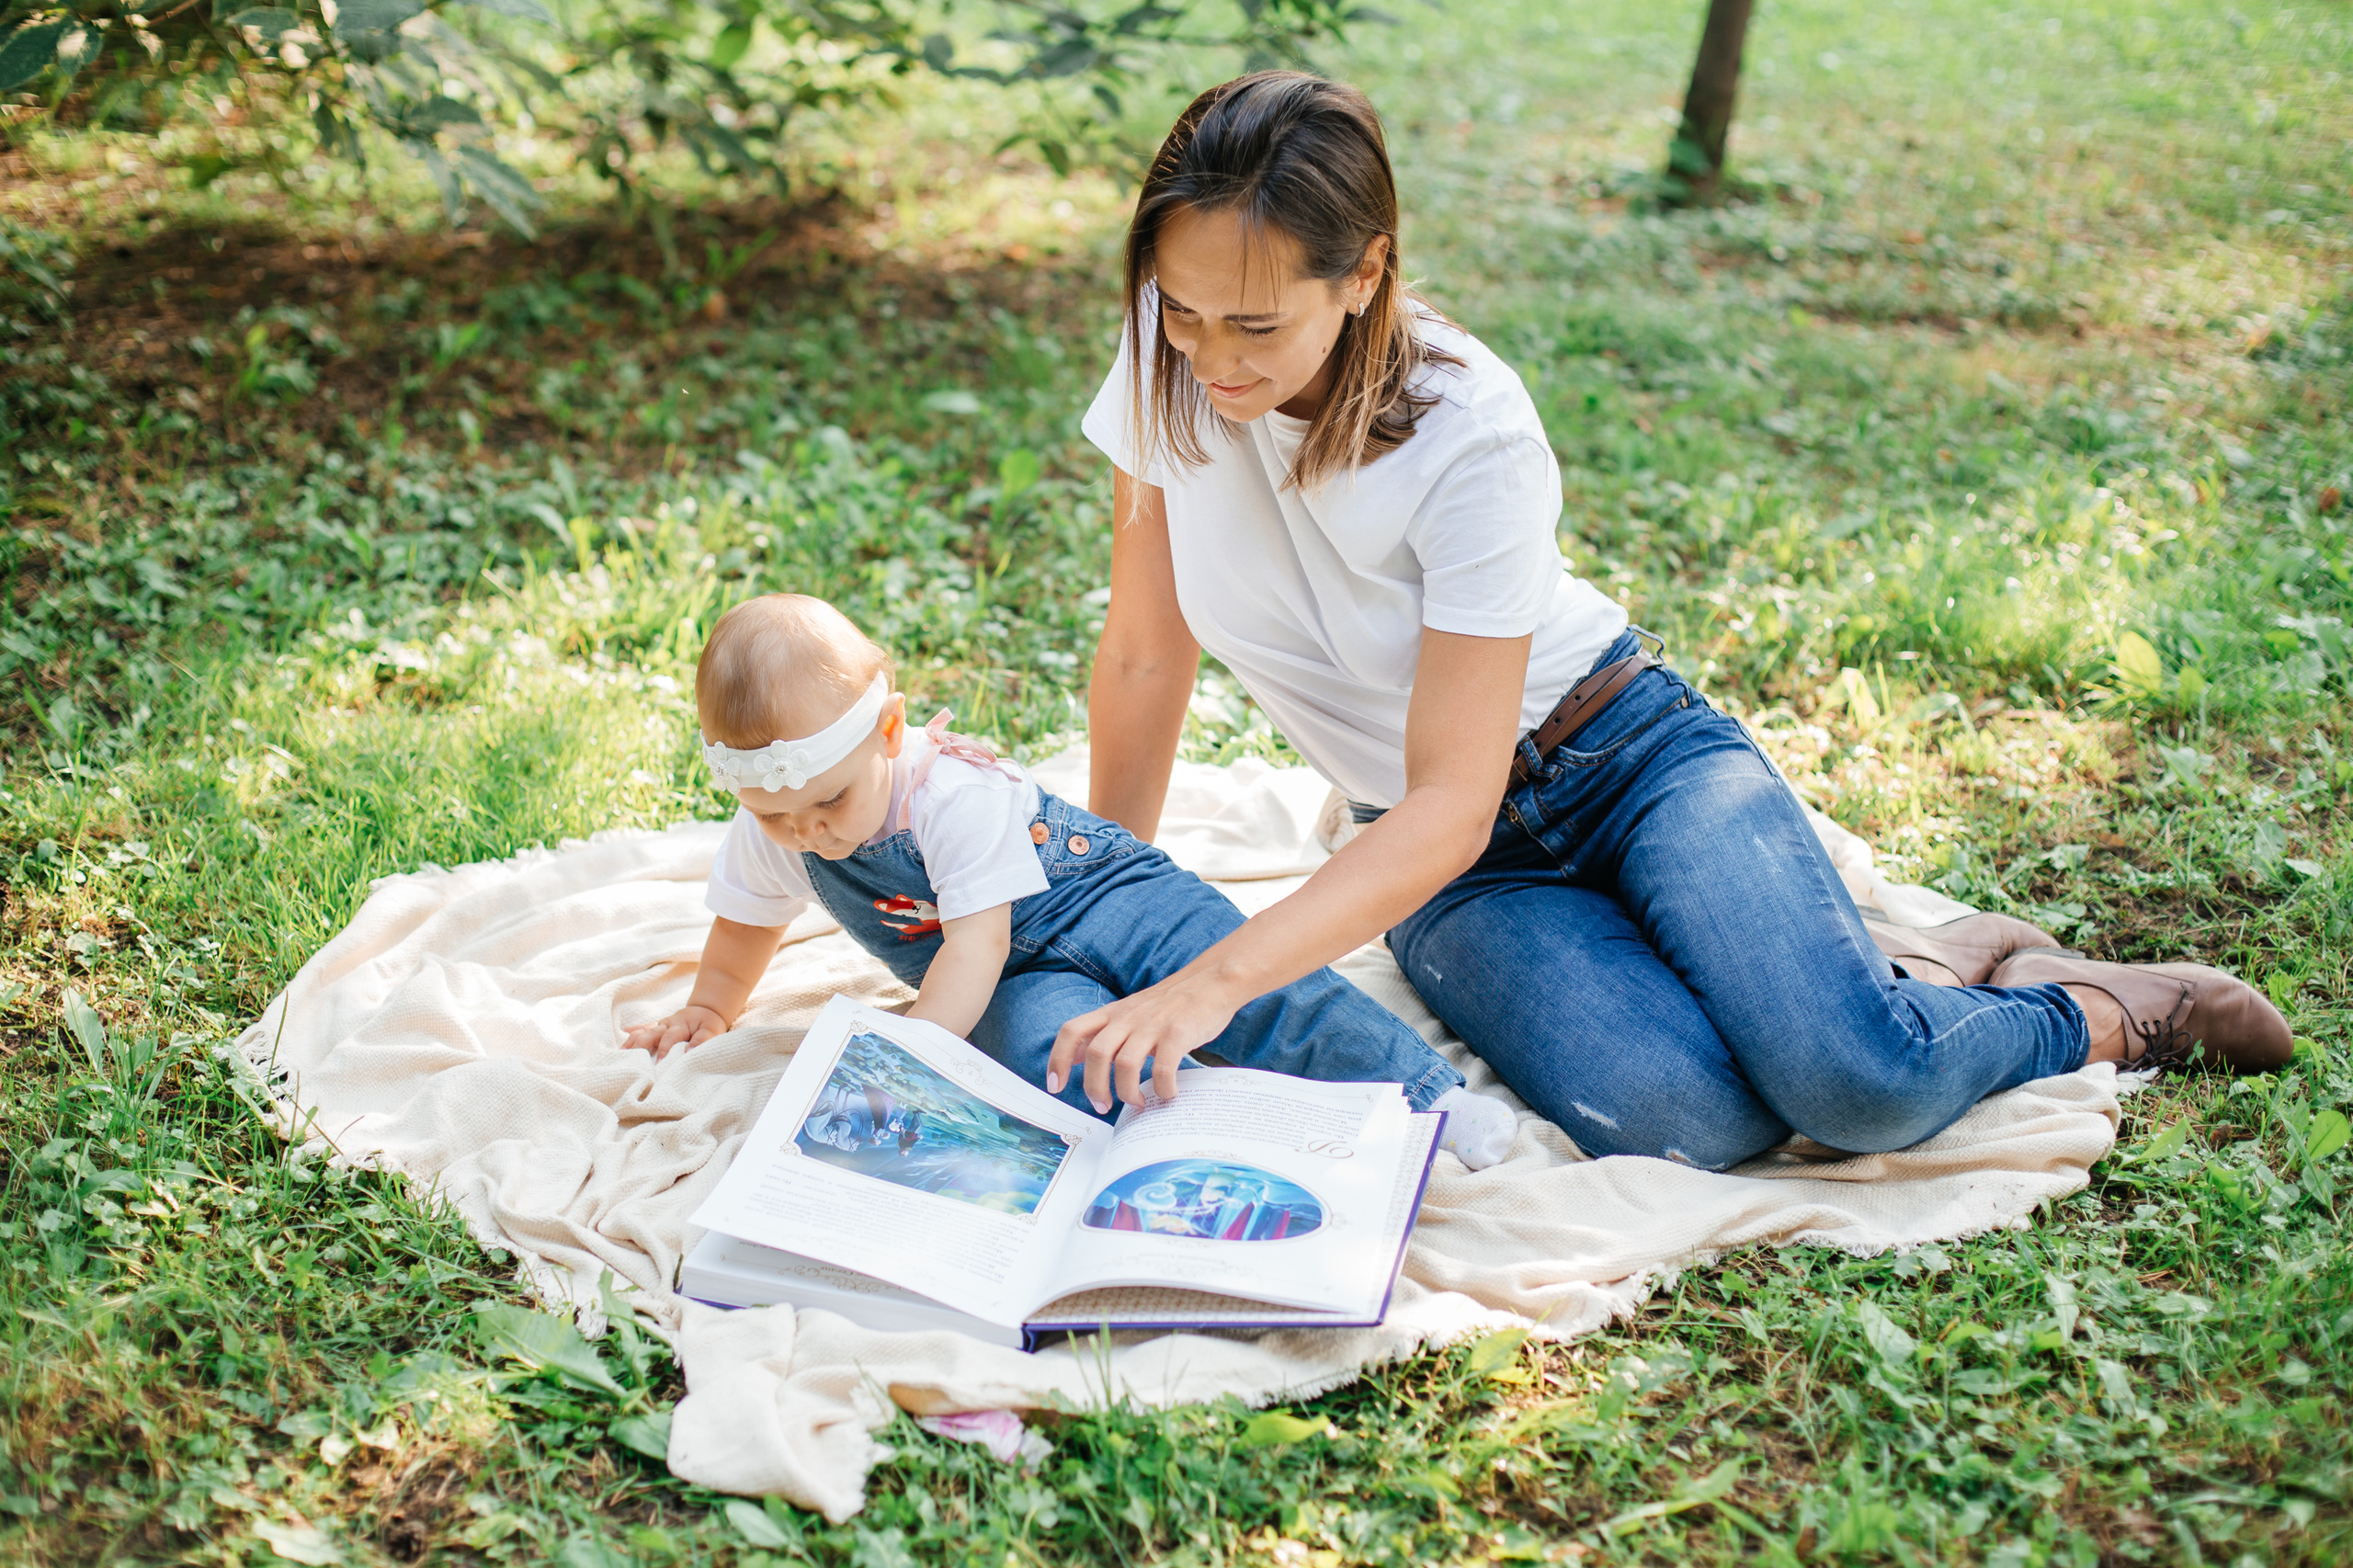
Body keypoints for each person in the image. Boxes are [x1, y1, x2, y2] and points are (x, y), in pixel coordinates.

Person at [1053, 70, 2290, 1170]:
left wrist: (1216, 979)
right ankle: (1883, 971)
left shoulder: (1467, 426)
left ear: (1365, 270)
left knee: (1860, 1086)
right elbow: (1146, 650)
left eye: (1255, 323)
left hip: (1623, 758)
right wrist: (1099, 914)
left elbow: (1456, 796)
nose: (1210, 354)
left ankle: (2095, 1008)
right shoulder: (1168, 353)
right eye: (1183, 306)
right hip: (1450, 866)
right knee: (1693, 1119)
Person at [620, 593, 1521, 1167]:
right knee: (1046, 1068)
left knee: (1262, 994)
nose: (804, 829)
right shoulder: (775, 823)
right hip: (1012, 972)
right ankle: (1202, 1141)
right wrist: (711, 1003)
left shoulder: (951, 796)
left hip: (1102, 896)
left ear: (889, 733)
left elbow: (972, 942)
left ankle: (1428, 1101)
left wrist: (908, 1053)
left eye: (827, 799)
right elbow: (745, 922)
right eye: (777, 815)